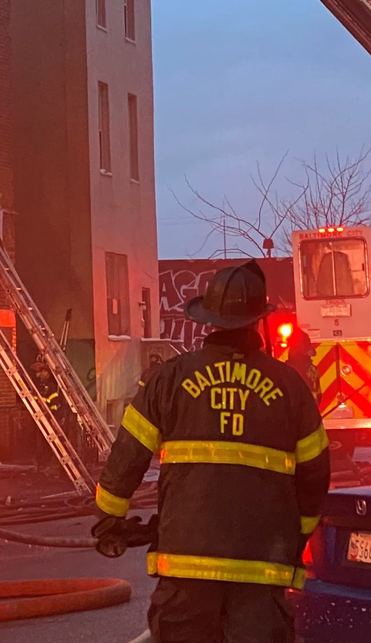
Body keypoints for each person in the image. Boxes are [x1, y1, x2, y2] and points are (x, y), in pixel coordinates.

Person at [92, 261, 330, 643]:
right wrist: (296, 535)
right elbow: (315, 476)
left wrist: (109, 520)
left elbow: (127, 458)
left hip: (186, 574)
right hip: (261, 572)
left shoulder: (170, 378)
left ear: (209, 320)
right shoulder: (290, 388)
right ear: (258, 321)